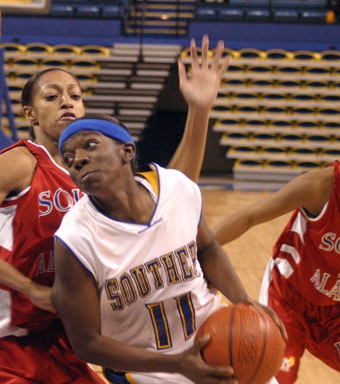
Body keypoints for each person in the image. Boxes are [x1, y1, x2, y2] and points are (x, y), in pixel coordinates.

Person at [0, 35, 230, 383]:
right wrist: (29, 288)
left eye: (75, 95)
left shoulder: (91, 172)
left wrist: (198, 110)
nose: (66, 102)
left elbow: (176, 189)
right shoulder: (20, 161)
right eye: (52, 96)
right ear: (30, 113)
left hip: (61, 339)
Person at [51, 114, 285, 384]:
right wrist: (177, 365)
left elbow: (207, 247)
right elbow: (87, 343)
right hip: (150, 371)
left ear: (126, 151)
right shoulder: (75, 239)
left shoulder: (177, 188)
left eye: (90, 145)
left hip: (218, 340)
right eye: (68, 159)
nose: (77, 160)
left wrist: (244, 301)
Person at [213, 163, 340, 383]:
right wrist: (193, 254)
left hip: (334, 311)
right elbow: (248, 216)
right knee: (274, 377)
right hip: (288, 296)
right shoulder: (320, 186)